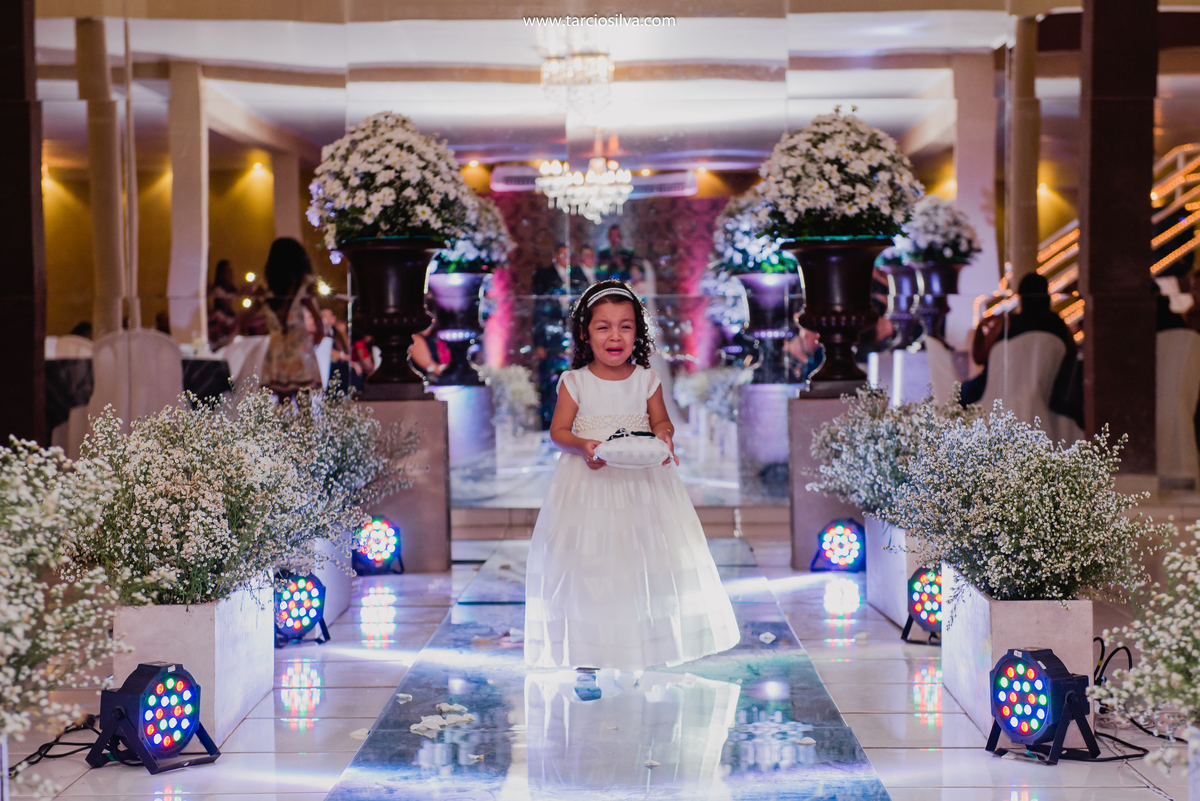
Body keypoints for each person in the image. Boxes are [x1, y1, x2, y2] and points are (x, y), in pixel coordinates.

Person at [524, 280, 740, 675]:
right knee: (591, 562)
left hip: (641, 485)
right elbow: (559, 432)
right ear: (585, 333)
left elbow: (661, 422)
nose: (615, 336)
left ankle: (641, 644)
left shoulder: (646, 379)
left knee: (642, 562)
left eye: (625, 326)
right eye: (603, 326)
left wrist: (664, 437)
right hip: (588, 486)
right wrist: (583, 446)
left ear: (638, 332)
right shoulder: (575, 381)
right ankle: (590, 649)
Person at [961, 272, 1075, 405]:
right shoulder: (1059, 325)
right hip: (1046, 394)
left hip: (1002, 389)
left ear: (1021, 297)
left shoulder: (1006, 323)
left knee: (958, 394)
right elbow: (1071, 356)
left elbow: (979, 357)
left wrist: (980, 327)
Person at [251, 237, 325, 398]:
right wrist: (316, 337)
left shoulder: (266, 288)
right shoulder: (303, 285)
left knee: (283, 399)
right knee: (303, 398)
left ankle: (286, 416)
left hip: (277, 348)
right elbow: (318, 319)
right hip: (299, 347)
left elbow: (247, 318)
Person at [531, 244, 590, 428]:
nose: (566, 259)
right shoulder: (543, 275)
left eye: (568, 255)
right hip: (551, 336)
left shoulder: (578, 275)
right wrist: (539, 343)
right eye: (563, 255)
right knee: (550, 379)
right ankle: (548, 422)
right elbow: (537, 312)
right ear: (555, 256)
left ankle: (575, 421)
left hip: (573, 334)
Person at [207, 259, 240, 350]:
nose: (230, 274)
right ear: (220, 274)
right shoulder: (217, 293)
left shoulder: (235, 292)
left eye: (231, 271)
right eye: (227, 271)